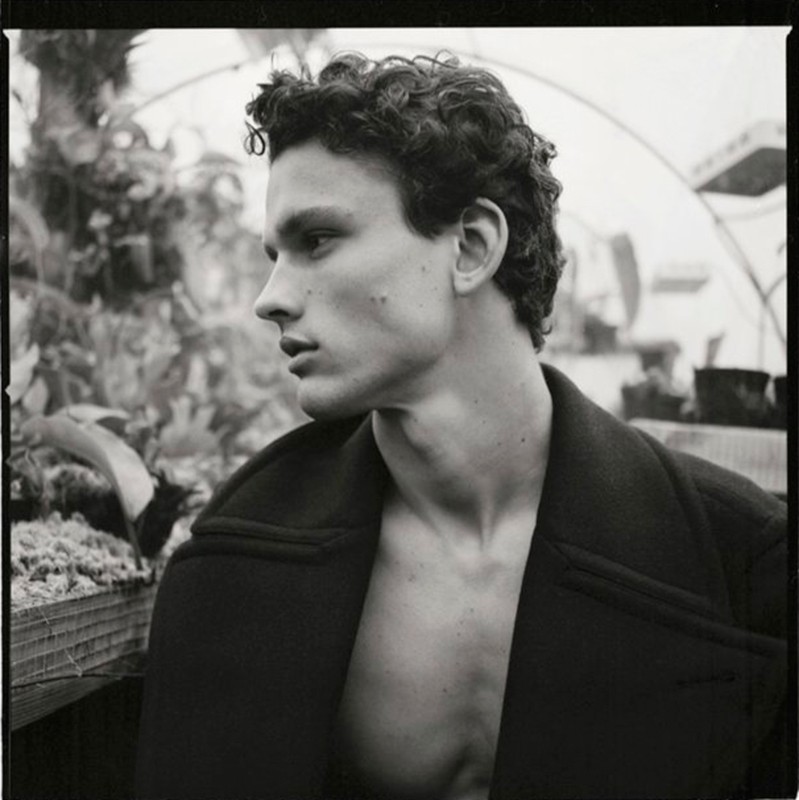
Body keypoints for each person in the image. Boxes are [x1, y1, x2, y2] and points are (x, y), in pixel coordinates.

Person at [135, 54, 790, 800]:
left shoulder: (741, 563)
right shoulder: (235, 557)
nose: (269, 298)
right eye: (273, 255)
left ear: (471, 247)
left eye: (315, 240)